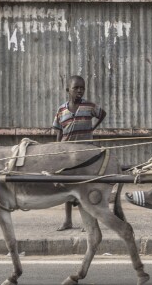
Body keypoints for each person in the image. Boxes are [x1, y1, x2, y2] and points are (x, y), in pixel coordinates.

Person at [52, 75, 107, 230]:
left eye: (82, 88)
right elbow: (58, 132)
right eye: (76, 88)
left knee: (85, 186)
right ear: (68, 90)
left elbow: (102, 114)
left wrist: (93, 129)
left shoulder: (89, 106)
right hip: (67, 153)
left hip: (85, 154)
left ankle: (87, 222)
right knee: (67, 187)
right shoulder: (61, 110)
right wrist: (58, 150)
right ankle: (67, 220)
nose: (79, 91)